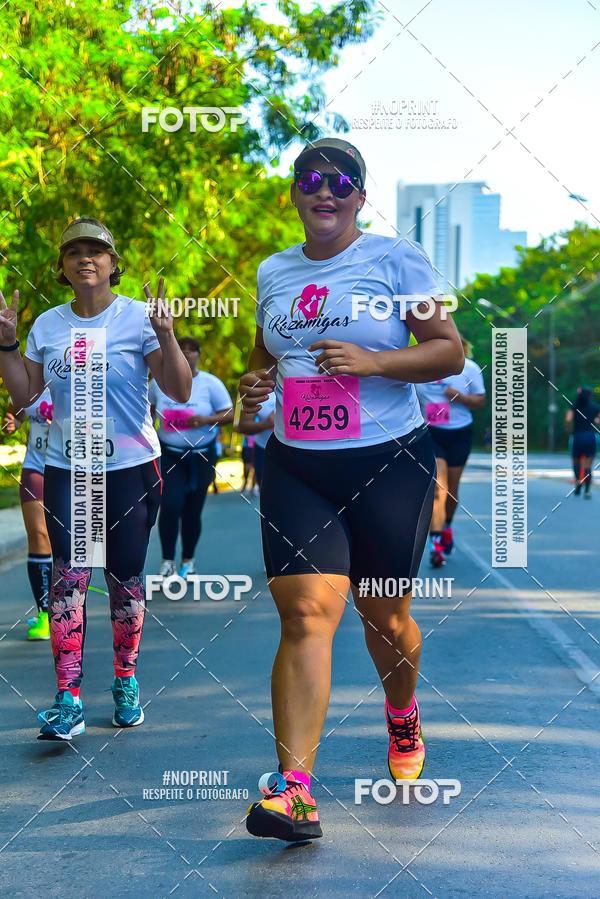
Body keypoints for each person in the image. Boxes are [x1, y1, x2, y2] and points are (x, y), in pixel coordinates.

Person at [238, 138, 464, 841]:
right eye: (311, 179)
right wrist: (256, 385)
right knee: (306, 613)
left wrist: (377, 358)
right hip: (298, 462)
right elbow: (264, 353)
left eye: (341, 181)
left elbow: (448, 349)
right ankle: (294, 789)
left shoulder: (396, 260)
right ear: (296, 193)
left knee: (382, 616)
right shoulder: (274, 271)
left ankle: (402, 711)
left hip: (388, 461)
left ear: (360, 196)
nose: (324, 190)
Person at [0, 216, 191, 740]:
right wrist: (8, 345)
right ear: (62, 267)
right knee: (71, 577)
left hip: (130, 468)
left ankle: (125, 681)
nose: (85, 258)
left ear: (113, 264)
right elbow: (25, 397)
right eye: (73, 252)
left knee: (123, 578)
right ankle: (68, 698)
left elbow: (179, 390)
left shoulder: (137, 318)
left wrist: (168, 336)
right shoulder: (48, 325)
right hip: (69, 467)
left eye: (96, 251)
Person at [149, 337, 233, 578]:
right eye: (181, 350)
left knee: (192, 511)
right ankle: (167, 561)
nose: (186, 354)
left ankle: (188, 560)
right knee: (171, 505)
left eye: (191, 350)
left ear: (198, 355)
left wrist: (205, 420)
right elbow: (146, 410)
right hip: (169, 455)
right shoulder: (158, 383)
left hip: (202, 456)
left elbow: (228, 414)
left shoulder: (211, 383)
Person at [416, 337, 486, 567]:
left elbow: (480, 400)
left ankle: (446, 526)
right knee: (438, 487)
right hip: (431, 432)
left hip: (459, 433)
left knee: (452, 490)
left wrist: (460, 397)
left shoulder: (469, 368)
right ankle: (435, 545)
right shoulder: (421, 367)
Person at [3, 390, 54, 640]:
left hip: (71, 471)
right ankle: (45, 614)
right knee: (38, 534)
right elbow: (16, 410)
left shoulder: (80, 378)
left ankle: (68, 607)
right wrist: (13, 421)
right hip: (36, 467)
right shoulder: (30, 382)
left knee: (66, 543)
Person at [565, 385, 599, 498]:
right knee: (588, 465)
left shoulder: (574, 406)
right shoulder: (595, 407)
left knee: (576, 462)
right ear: (589, 396)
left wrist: (569, 430)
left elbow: (568, 419)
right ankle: (587, 491)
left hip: (577, 437)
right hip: (590, 437)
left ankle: (578, 482)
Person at [236, 391, 275, 491]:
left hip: (296, 449)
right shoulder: (261, 387)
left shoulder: (302, 381)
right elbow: (242, 426)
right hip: (263, 449)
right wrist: (267, 423)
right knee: (267, 493)